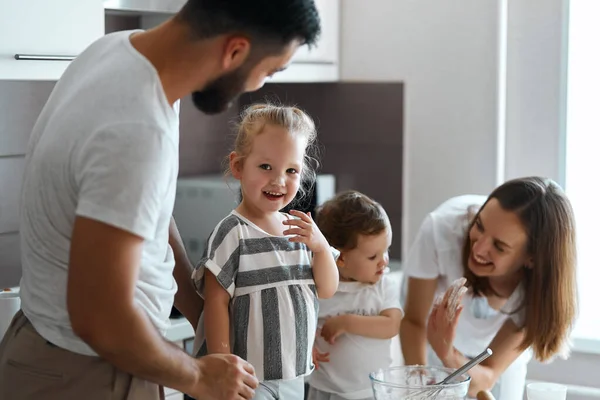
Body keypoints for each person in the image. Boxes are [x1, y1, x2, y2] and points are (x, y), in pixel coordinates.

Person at [0, 1, 322, 399]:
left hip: (68, 354)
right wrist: (199, 377)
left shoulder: (115, 52)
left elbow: (146, 211)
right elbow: (98, 319)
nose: (257, 86)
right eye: (268, 70)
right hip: (88, 370)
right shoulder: (137, 127)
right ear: (234, 51)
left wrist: (194, 305)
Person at [191, 104, 339, 400]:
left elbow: (327, 289)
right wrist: (223, 367)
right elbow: (216, 304)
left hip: (294, 376)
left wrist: (321, 247)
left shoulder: (300, 230)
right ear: (238, 166)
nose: (279, 180)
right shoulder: (234, 233)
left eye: (291, 170)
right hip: (247, 380)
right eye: (265, 167)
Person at [400, 177, 578, 399]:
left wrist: (447, 352)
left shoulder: (539, 291)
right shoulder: (442, 229)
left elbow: (487, 377)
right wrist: (420, 387)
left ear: (532, 258)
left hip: (474, 356)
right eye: (479, 225)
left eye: (499, 246)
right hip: (431, 336)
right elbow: (414, 321)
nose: (479, 248)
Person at [306, 190, 403, 400]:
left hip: (372, 391)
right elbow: (300, 322)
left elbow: (391, 325)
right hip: (325, 391)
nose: (384, 261)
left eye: (385, 251)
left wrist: (347, 322)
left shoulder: (384, 285)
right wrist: (307, 346)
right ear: (340, 258)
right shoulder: (319, 286)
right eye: (372, 256)